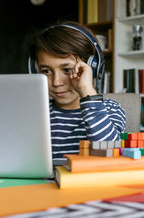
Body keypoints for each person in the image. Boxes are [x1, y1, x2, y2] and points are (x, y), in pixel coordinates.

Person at [28, 21, 126, 164]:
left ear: (93, 67)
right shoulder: (34, 114)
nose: (56, 82)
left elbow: (110, 152)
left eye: (67, 70)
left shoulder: (110, 109)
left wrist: (87, 91)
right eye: (46, 71)